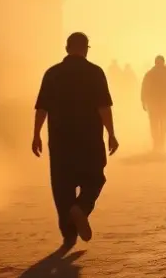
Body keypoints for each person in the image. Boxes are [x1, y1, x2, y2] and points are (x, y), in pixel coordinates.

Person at [32, 32, 120, 248]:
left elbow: (42, 107)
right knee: (95, 178)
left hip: (60, 139)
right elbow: (103, 107)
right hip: (89, 137)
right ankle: (81, 208)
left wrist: (36, 134)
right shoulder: (95, 73)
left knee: (62, 185)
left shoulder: (52, 74)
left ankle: (68, 233)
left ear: (66, 48)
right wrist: (111, 133)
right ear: (86, 49)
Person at [141, 55, 166, 151]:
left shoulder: (150, 74)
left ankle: (157, 145)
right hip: (163, 104)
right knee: (162, 125)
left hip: (155, 104)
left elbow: (144, 89)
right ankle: (160, 145)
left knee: (156, 125)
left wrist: (144, 101)